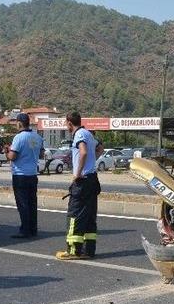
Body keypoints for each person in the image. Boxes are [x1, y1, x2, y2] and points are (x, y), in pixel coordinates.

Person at [56, 111, 103, 260]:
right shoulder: (88, 134)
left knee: (74, 215)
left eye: (66, 123)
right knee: (89, 215)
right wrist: (91, 162)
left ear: (70, 123)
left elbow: (83, 152)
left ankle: (73, 250)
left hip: (83, 181)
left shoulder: (79, 134)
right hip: (92, 179)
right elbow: (100, 148)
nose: (66, 126)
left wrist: (78, 172)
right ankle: (88, 250)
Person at [6, 113, 46, 239]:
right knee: (32, 203)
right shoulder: (37, 137)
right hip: (32, 174)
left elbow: (13, 156)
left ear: (19, 123)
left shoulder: (19, 137)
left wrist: (7, 152)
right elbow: (41, 154)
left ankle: (25, 230)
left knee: (22, 204)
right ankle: (33, 229)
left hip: (20, 174)